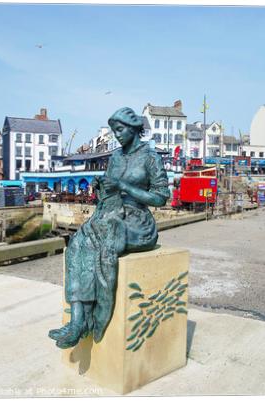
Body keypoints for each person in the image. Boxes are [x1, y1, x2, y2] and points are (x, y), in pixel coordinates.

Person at [48, 107, 169, 349]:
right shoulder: (115, 158)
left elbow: (160, 197)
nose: (117, 135)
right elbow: (110, 189)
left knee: (100, 243)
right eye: (114, 131)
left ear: (134, 129)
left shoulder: (150, 158)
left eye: (121, 130)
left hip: (137, 221)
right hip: (111, 214)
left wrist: (123, 186)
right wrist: (101, 185)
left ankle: (95, 316)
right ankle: (78, 320)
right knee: (78, 243)